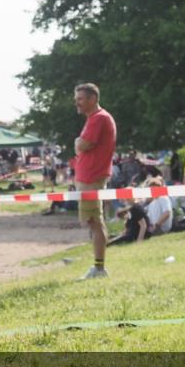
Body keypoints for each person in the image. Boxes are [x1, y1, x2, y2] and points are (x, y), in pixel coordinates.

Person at [72, 83, 117, 280]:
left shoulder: (99, 118)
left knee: (94, 221)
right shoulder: (94, 118)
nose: (77, 102)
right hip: (88, 177)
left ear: (92, 99)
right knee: (94, 221)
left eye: (80, 99)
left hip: (92, 178)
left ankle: (99, 269)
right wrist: (78, 144)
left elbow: (83, 144)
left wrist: (77, 143)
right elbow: (81, 146)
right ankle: (98, 267)